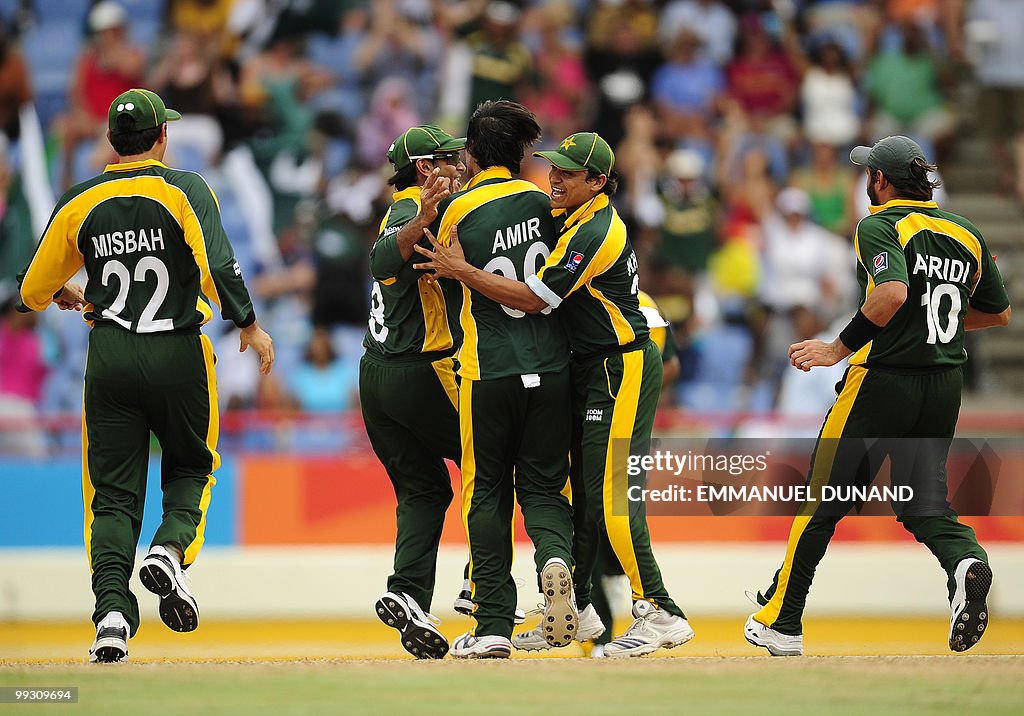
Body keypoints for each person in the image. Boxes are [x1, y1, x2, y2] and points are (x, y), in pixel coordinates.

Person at [17, 88, 274, 663]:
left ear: (112, 141)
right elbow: (217, 260)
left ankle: (111, 615)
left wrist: (64, 290)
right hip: (178, 353)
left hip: (109, 357)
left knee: (110, 498)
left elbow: (31, 289)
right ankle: (168, 550)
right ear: (162, 138)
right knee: (193, 467)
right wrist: (248, 323)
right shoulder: (184, 188)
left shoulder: (80, 198)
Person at [416, 130, 694, 657]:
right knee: (585, 498)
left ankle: (660, 611)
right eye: (554, 167)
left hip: (621, 364)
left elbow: (536, 298)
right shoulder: (566, 216)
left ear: (599, 182)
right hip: (586, 369)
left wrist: (461, 269)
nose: (556, 178)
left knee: (612, 499)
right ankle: (583, 609)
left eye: (569, 173)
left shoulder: (597, 231)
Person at [744, 135, 1011, 656]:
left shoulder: (880, 225)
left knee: (823, 499)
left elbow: (890, 294)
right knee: (925, 503)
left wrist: (835, 349)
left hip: (882, 379)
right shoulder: (966, 231)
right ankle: (964, 563)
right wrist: (935, 329)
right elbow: (997, 313)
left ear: (881, 180)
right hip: (942, 383)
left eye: (869, 174)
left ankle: (783, 620)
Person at [417, 100, 578, 659]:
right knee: (544, 487)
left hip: (487, 370)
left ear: (471, 152)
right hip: (552, 367)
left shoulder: (455, 211)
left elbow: (420, 265)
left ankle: (491, 626)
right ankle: (556, 560)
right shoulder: (545, 202)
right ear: (520, 153)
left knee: (486, 491)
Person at [360, 124, 466, 659]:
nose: (462, 162)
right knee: (494, 460)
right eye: (449, 157)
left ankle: (407, 594)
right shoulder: (412, 209)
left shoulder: (404, 206)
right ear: (425, 168)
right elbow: (382, 259)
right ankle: (483, 588)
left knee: (425, 490)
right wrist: (425, 218)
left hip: (377, 376)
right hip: (420, 371)